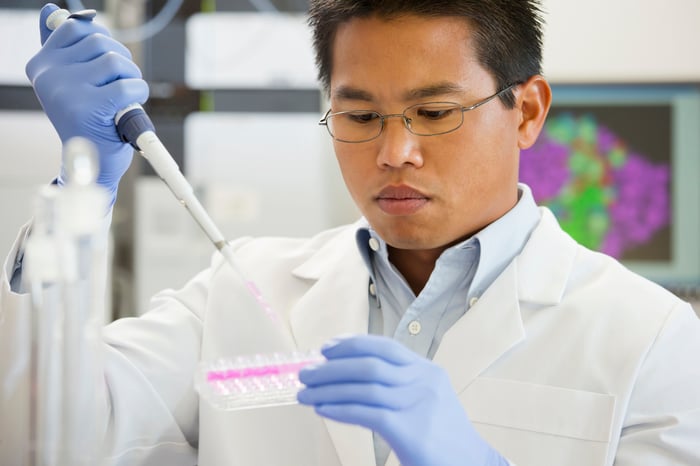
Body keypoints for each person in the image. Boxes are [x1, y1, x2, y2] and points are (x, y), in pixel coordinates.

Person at [2, 1, 699, 465]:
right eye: (361, 117)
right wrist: (82, 190)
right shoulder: (240, 291)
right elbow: (44, 433)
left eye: (434, 111)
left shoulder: (653, 338)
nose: (395, 151)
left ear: (528, 111)